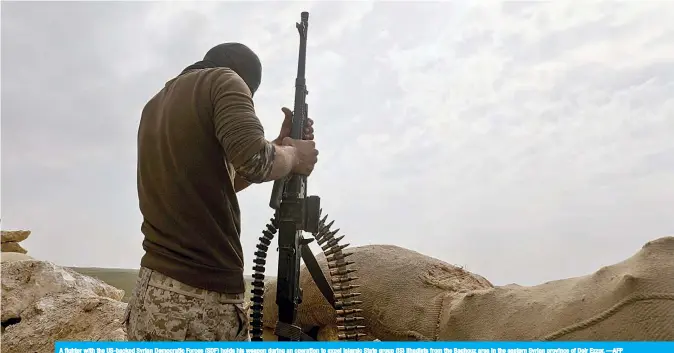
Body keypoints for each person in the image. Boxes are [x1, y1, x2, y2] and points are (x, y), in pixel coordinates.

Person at [124, 42, 318, 341]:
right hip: (198, 298)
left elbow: (226, 179)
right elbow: (255, 161)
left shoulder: (156, 105)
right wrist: (294, 156)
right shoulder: (225, 80)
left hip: (155, 289)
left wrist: (279, 144)